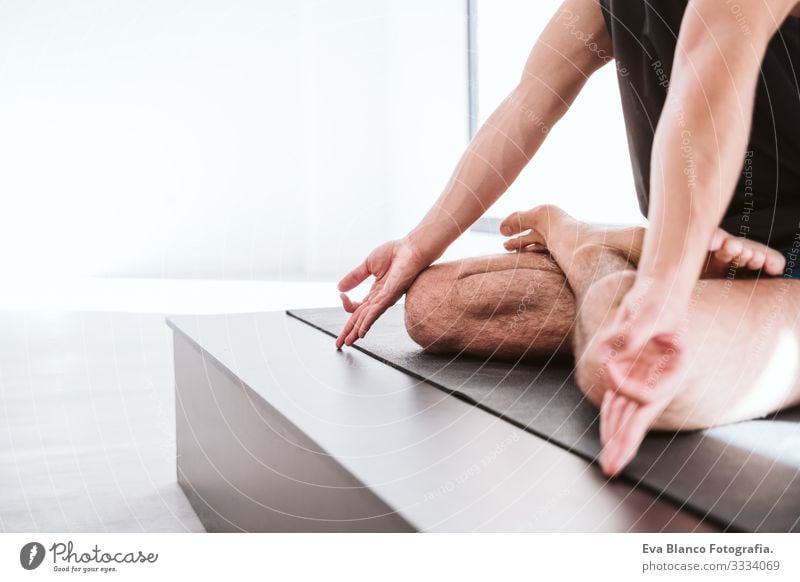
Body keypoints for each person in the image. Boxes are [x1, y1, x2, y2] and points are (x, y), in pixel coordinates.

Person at [335, 0, 800, 476]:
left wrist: (660, 293)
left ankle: (588, 245)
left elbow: (712, 56)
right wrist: (418, 244)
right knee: (432, 306)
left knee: (640, 376)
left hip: (788, 268)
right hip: (688, 250)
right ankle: (625, 255)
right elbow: (528, 103)